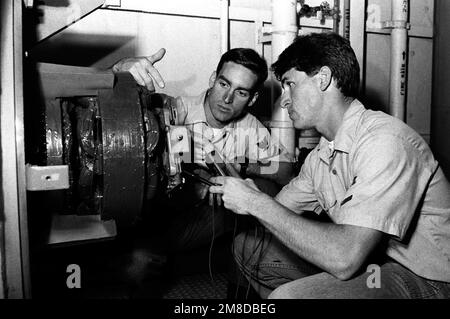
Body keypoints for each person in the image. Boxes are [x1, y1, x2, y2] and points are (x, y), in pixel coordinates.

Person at [209, 32, 450, 299]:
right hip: (375, 267)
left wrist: (256, 202)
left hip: (427, 278)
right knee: (248, 247)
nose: (284, 100)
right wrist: (240, 193)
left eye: (290, 84)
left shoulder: (386, 141)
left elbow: (344, 258)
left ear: (323, 79)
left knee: (289, 298)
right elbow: (278, 213)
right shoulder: (322, 155)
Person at [112, 48, 294, 252]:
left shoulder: (250, 126)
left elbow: (285, 170)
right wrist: (121, 69)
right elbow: (111, 106)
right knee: (140, 261)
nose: (227, 98)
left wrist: (245, 166)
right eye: (224, 84)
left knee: (265, 190)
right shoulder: (175, 109)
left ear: (252, 99)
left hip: (210, 219)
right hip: (161, 216)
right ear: (213, 79)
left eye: (241, 92)